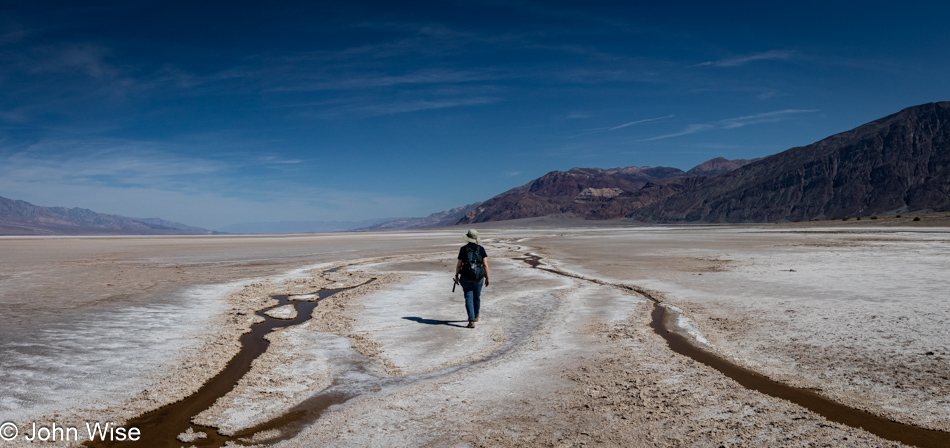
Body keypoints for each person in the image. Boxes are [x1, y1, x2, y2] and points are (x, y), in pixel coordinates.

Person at [455, 229, 489, 328]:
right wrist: (487, 277)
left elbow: (458, 265)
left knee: (468, 297)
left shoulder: (463, 249)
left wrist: (456, 276)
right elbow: (486, 264)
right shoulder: (481, 249)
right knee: (477, 296)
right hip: (479, 277)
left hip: (466, 277)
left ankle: (471, 320)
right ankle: (476, 316)